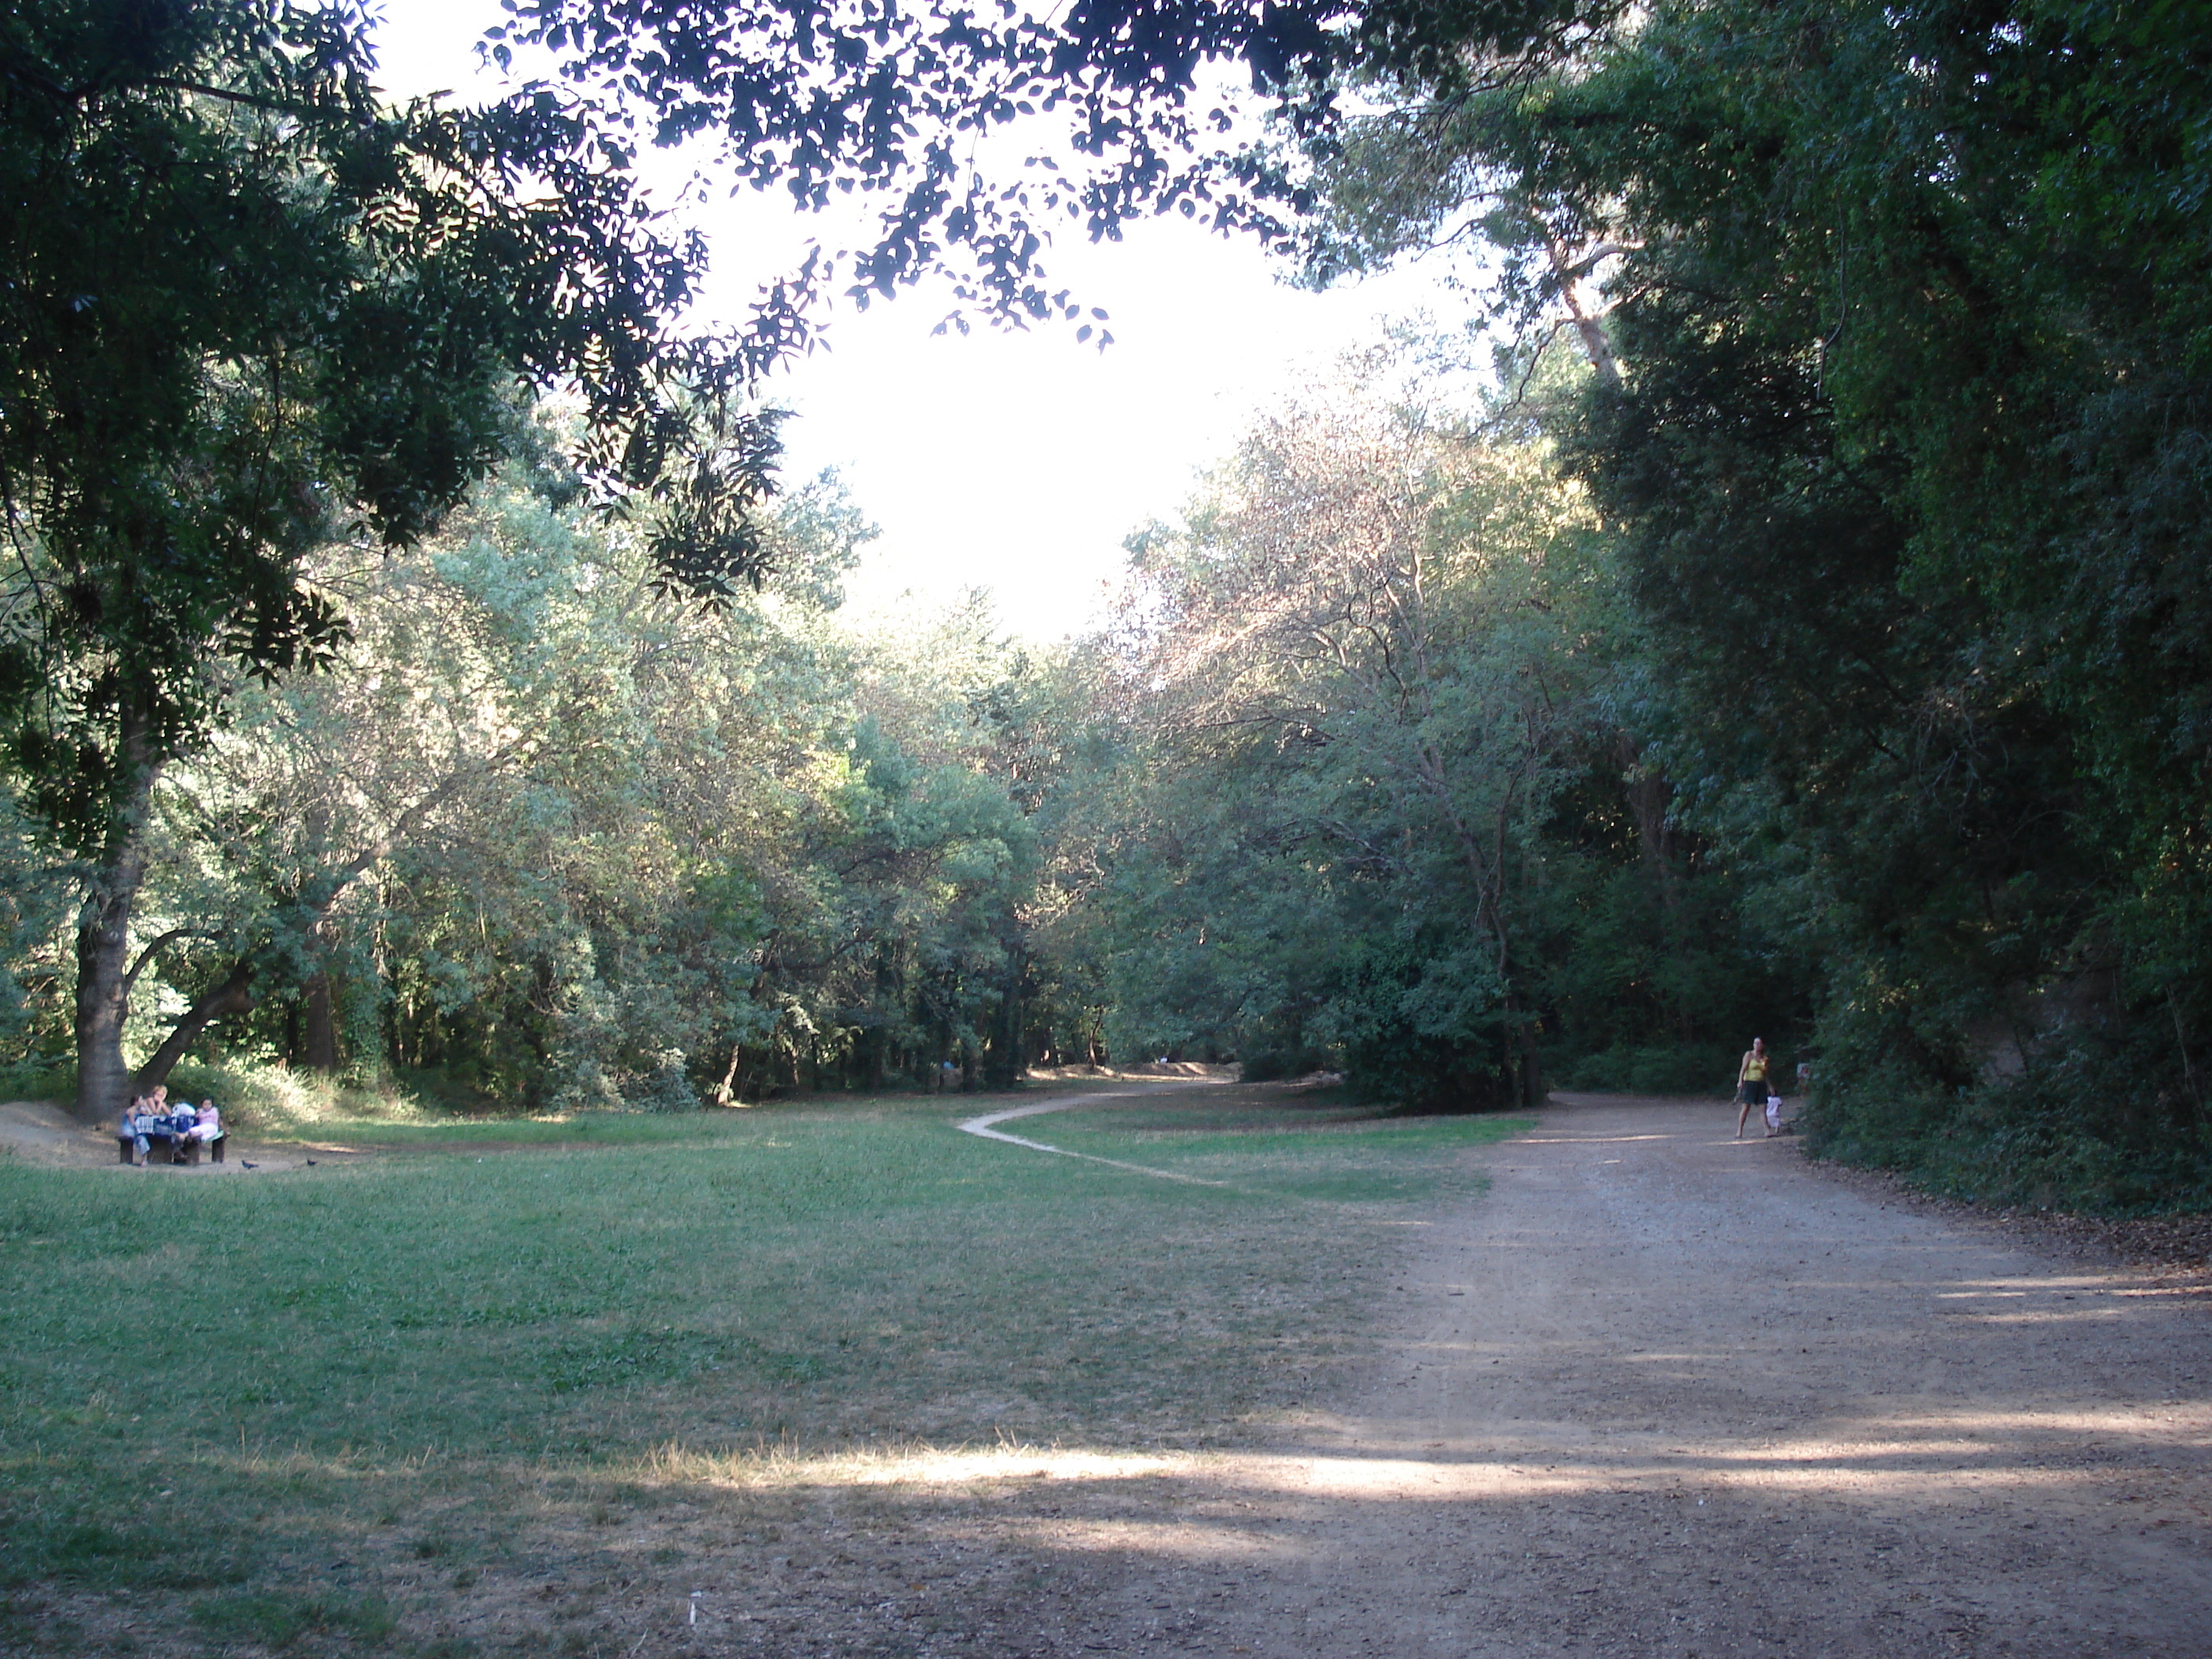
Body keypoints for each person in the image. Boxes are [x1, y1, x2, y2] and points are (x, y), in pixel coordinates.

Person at [1734, 1038, 1772, 1139]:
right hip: (1750, 1083)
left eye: (1759, 1043)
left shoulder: (1764, 1058)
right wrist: (1740, 1081)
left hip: (1761, 1084)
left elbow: (1765, 1074)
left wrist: (1770, 1086)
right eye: (1755, 1043)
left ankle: (1766, 1130)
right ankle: (1740, 1130)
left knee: (1762, 1108)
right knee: (1746, 1107)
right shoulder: (1749, 1055)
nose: (1757, 1045)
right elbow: (1743, 1069)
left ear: (1762, 1046)